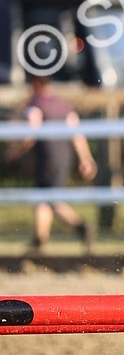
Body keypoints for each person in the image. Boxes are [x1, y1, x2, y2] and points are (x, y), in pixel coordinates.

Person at [5, 76, 97, 252]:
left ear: (36, 84)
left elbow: (30, 133)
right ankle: (40, 238)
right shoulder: (64, 106)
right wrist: (86, 158)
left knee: (47, 198)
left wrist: (14, 151)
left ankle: (79, 228)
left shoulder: (36, 104)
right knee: (46, 197)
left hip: (47, 158)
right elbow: (77, 134)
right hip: (64, 158)